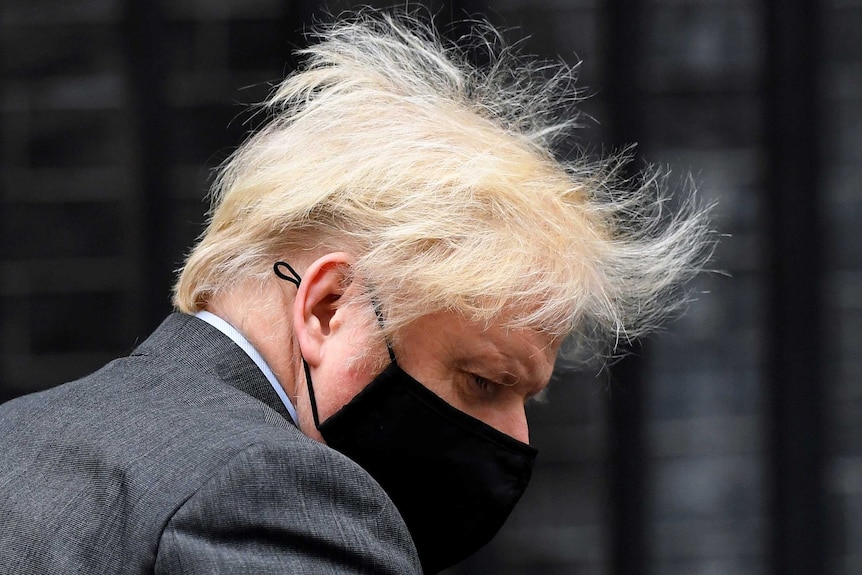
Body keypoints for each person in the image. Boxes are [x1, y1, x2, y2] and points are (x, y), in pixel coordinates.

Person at [0, 10, 713, 575]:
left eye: (528, 396)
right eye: (482, 379)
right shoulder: (276, 495)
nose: (517, 440)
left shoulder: (22, 437)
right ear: (327, 306)